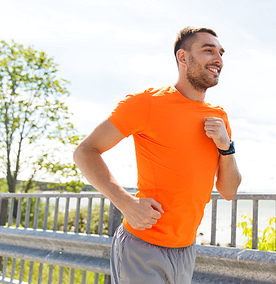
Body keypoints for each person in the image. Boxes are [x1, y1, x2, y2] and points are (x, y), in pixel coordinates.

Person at [73, 26, 242, 284]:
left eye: (220, 52)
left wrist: (225, 147)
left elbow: (229, 190)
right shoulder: (147, 103)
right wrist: (126, 203)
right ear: (183, 58)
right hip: (142, 247)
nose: (218, 58)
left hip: (186, 250)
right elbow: (85, 152)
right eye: (208, 51)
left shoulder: (218, 118)